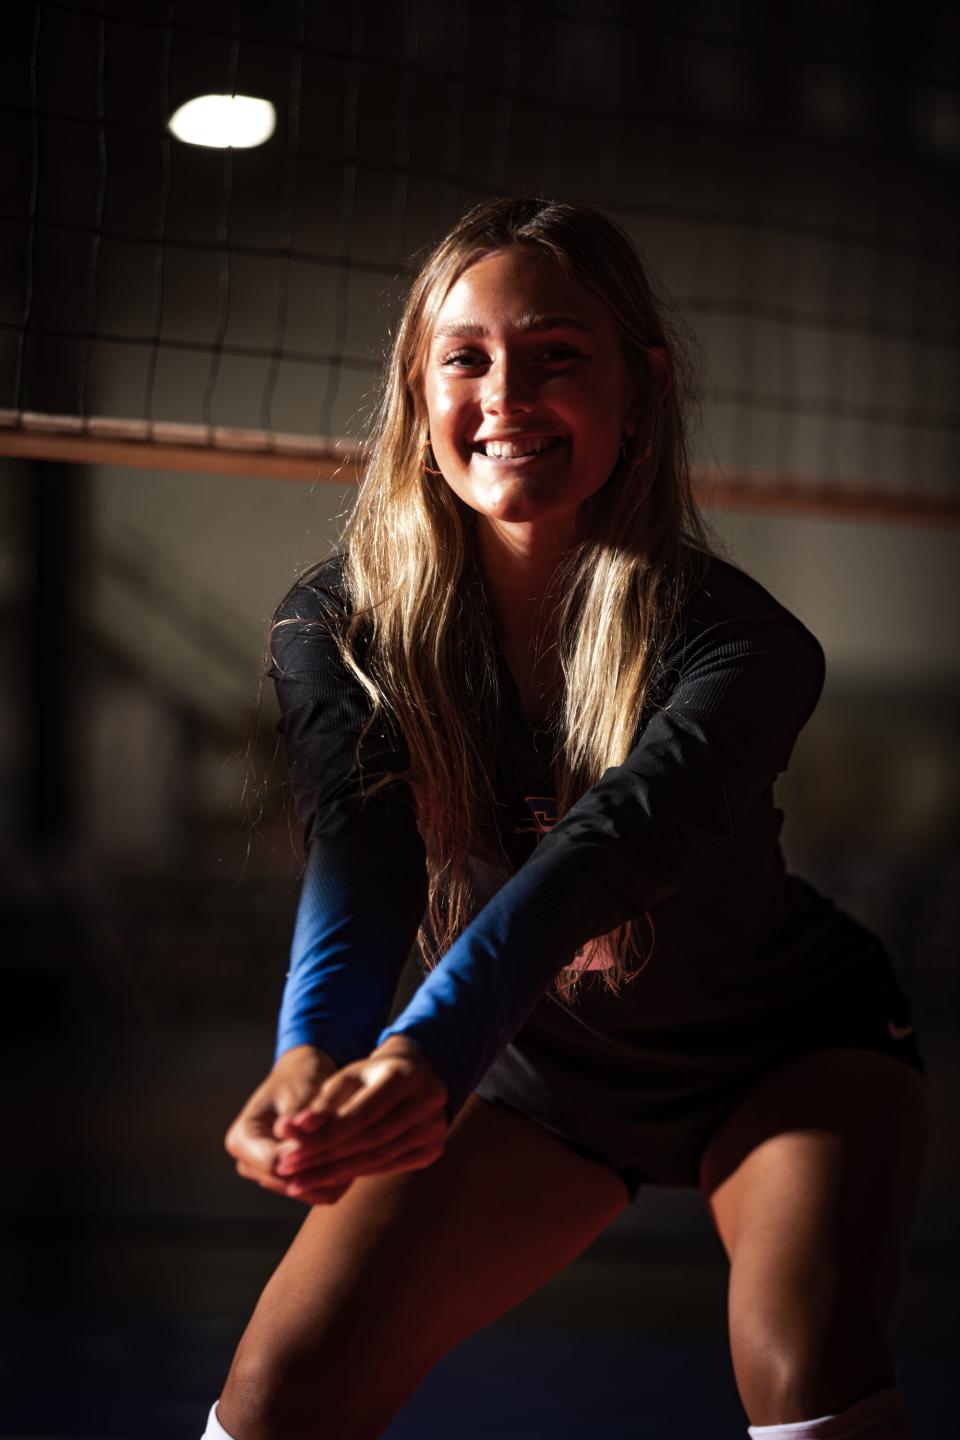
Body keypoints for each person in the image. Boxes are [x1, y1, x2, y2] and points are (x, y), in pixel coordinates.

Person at [202, 197, 926, 1440]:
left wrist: (426, 1053)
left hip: (779, 1048)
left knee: (799, 1370)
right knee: (276, 1400)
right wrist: (312, 1052)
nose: (505, 396)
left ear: (639, 389)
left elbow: (599, 857)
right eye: (466, 358)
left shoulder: (743, 644)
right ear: (416, 389)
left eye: (555, 357)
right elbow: (360, 856)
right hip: (535, 1073)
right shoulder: (337, 626)